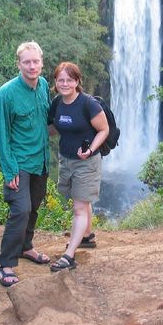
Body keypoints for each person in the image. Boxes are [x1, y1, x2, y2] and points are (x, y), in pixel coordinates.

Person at [0, 41, 51, 287]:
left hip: (41, 159)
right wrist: (9, 169)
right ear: (18, 64)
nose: (31, 66)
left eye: (35, 61)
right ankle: (6, 264)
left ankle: (26, 247)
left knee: (34, 206)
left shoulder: (45, 85)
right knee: (20, 210)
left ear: (41, 62)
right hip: (19, 162)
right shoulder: (5, 94)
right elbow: (1, 133)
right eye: (26, 62)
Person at [48, 62, 109, 271]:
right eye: (61, 80)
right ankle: (87, 236)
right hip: (66, 160)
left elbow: (104, 129)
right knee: (81, 201)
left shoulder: (88, 104)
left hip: (87, 162)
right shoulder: (57, 103)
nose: (65, 83)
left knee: (79, 208)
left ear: (77, 81)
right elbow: (53, 128)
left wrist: (90, 150)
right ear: (55, 82)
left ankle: (69, 256)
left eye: (69, 80)